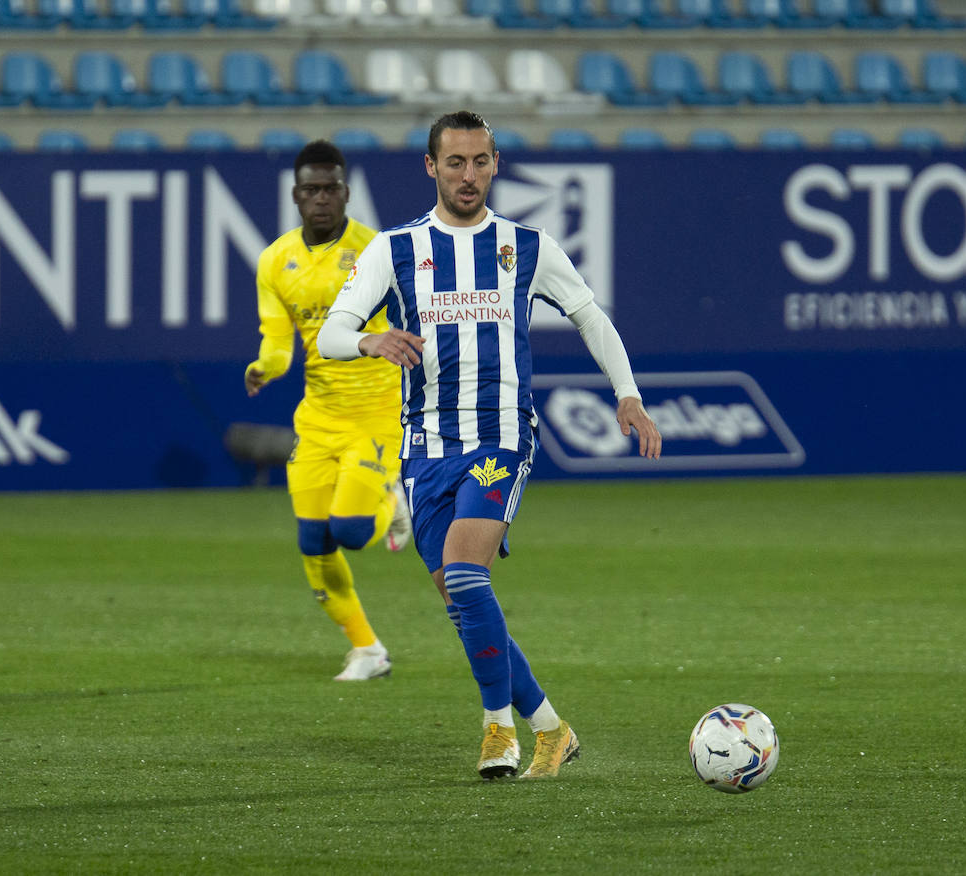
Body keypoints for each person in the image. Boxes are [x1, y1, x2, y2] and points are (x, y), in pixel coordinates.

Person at [317, 110, 661, 780]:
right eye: (455, 163)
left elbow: (591, 316)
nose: (468, 175)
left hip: (501, 436)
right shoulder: (394, 250)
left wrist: (627, 392)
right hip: (424, 449)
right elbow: (333, 332)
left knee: (469, 576)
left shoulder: (526, 246)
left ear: (496, 164)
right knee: (465, 602)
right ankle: (551, 730)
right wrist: (369, 339)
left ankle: (496, 731)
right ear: (430, 167)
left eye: (480, 161)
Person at [246, 139, 412, 682]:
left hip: (376, 414)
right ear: (296, 195)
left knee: (349, 531)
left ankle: (393, 498)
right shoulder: (275, 260)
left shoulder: (377, 250)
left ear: (346, 192)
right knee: (312, 542)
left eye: (331, 188)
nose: (321, 198)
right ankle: (368, 650)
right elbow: (278, 340)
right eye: (311, 189)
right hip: (317, 418)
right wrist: (266, 367)